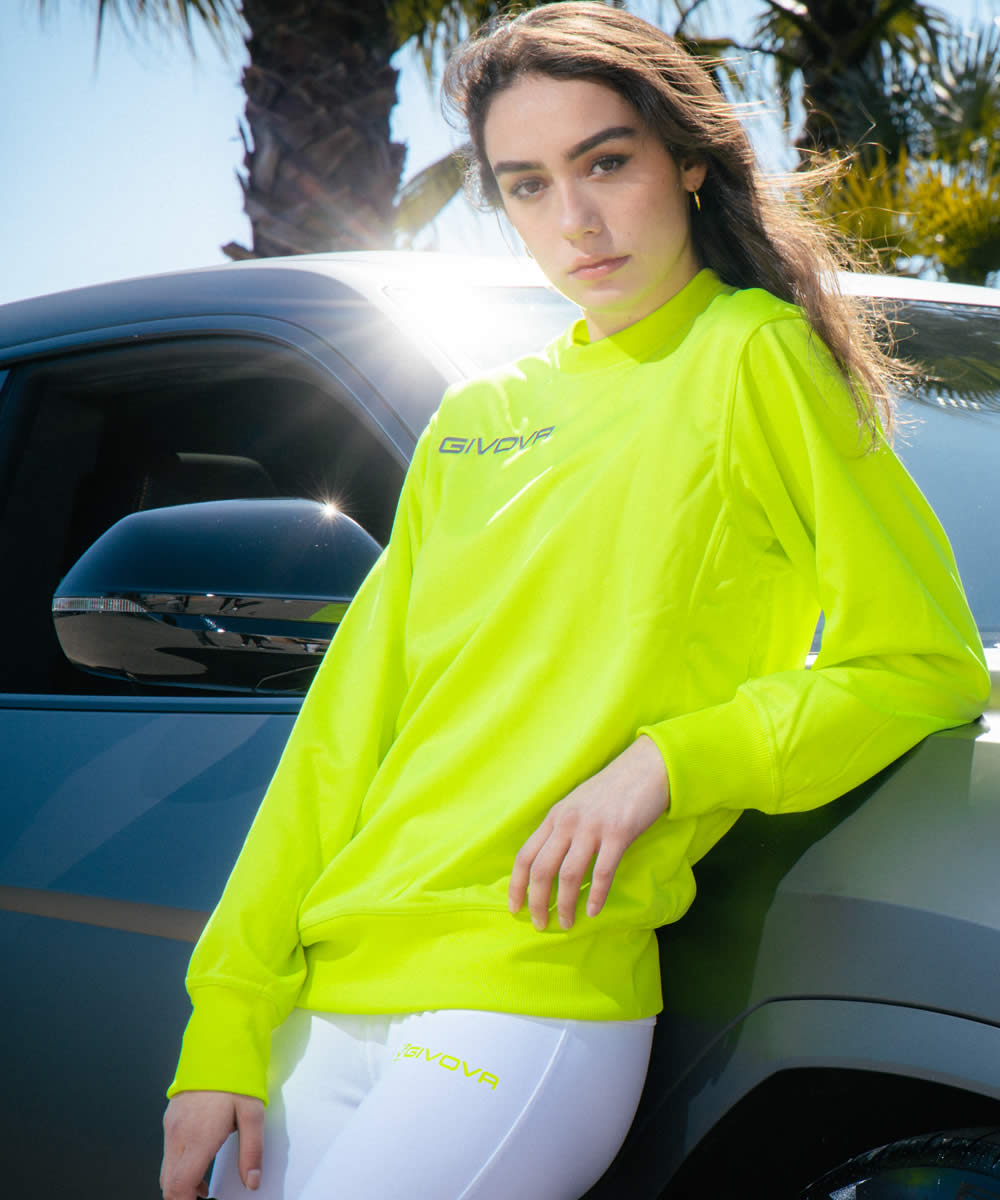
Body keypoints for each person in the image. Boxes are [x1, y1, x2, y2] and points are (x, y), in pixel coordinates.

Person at [159, 5, 990, 1199]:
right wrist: (226, 1023)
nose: (576, 221)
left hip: (524, 993)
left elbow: (920, 663)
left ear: (687, 161)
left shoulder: (749, 355)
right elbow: (342, 738)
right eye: (528, 185)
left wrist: (670, 761)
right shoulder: (476, 420)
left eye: (605, 163)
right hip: (324, 997)